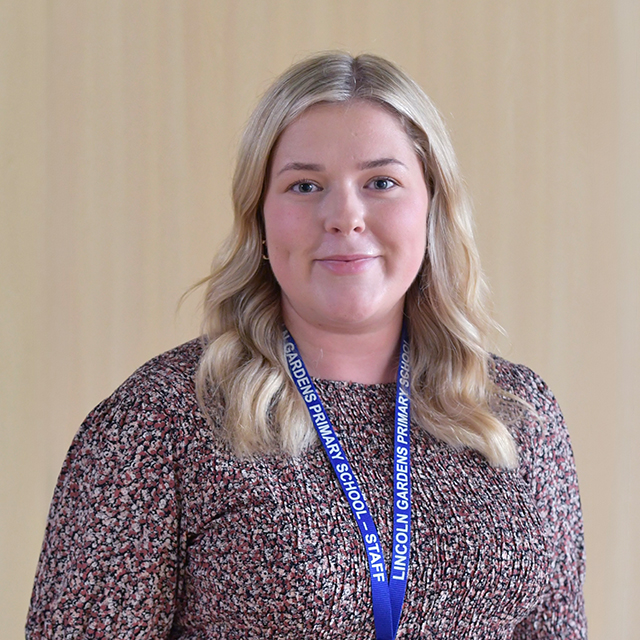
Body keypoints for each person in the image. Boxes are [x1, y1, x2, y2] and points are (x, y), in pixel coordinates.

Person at [26, 52, 586, 639]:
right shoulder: (159, 420)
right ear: (260, 218)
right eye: (305, 185)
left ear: (433, 207)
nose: (344, 216)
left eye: (381, 182)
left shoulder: (518, 413)